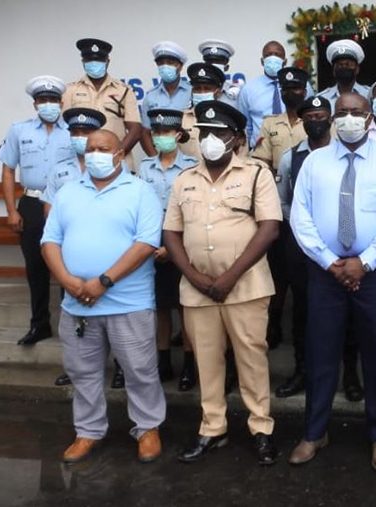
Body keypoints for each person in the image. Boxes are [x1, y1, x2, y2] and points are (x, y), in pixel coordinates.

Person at [288, 92, 376, 472]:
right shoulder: (314, 162)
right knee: (320, 353)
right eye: (341, 112)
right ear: (331, 118)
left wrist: (365, 262)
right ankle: (314, 432)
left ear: (370, 115)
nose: (348, 118)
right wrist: (331, 263)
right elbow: (301, 217)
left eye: (356, 112)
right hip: (325, 273)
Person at [163, 100, 280, 466]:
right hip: (197, 290)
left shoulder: (257, 174)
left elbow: (270, 228)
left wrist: (228, 277)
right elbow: (171, 233)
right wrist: (194, 276)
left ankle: (261, 428)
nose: (210, 139)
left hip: (245, 286)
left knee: (251, 359)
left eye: (219, 133)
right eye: (205, 133)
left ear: (237, 138)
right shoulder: (184, 178)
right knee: (206, 362)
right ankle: (213, 428)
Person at [41, 129, 165, 465]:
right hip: (77, 301)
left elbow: (146, 244)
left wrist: (104, 281)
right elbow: (49, 240)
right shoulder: (68, 192)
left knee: (139, 369)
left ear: (120, 154)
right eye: (91, 147)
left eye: (104, 148)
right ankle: (88, 431)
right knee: (83, 371)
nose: (95, 153)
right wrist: (67, 280)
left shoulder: (140, 191)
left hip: (128, 301)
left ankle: (148, 428)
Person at [0, 75, 74, 346]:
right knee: (36, 266)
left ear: (61, 102)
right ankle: (39, 324)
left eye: (53, 100)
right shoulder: (19, 130)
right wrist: (11, 210)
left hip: (65, 204)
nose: (48, 105)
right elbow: (8, 171)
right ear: (35, 104)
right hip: (31, 204)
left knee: (70, 264)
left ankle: (72, 327)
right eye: (43, 100)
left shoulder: (73, 132)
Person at [274, 95, 333, 398]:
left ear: (330, 119)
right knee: (302, 311)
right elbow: (282, 199)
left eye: (321, 115)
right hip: (300, 247)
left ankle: (346, 374)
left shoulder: (341, 153)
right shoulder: (290, 157)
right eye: (309, 116)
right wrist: (302, 223)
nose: (315, 121)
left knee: (340, 312)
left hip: (338, 247)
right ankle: (302, 371)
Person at [42, 107, 106, 388]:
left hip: (103, 254)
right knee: (73, 310)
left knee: (108, 312)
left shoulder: (114, 167)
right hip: (69, 252)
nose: (81, 138)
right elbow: (49, 212)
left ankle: (116, 365)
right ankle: (75, 368)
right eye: (75, 133)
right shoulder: (59, 170)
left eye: (86, 133)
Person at [138, 109, 198, 391]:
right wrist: (151, 245)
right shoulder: (144, 168)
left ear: (178, 134)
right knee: (160, 307)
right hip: (150, 240)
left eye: (166, 132)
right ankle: (163, 362)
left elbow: (195, 212)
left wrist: (171, 249)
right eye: (157, 132)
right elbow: (139, 209)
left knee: (184, 306)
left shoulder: (191, 166)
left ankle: (189, 364)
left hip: (182, 240)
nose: (161, 137)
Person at [252, 66, 309, 349]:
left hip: (310, 204)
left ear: (305, 90)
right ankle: (274, 322)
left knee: (303, 268)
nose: (291, 93)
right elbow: (260, 159)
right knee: (278, 269)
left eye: (296, 88)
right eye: (286, 89)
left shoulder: (315, 118)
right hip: (278, 202)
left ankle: (303, 320)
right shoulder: (270, 123)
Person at [63, 38, 141, 171]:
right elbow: (63, 127)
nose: (94, 64)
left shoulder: (124, 91)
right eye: (89, 60)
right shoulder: (70, 90)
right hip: (81, 163)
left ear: (107, 62)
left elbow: (135, 129)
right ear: (83, 62)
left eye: (99, 60)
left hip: (117, 164)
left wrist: (115, 155)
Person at [139, 41, 191, 157]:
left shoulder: (192, 92)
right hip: (162, 160)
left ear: (180, 66)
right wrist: (155, 160)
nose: (165, 66)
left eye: (170, 62)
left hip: (192, 159)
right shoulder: (151, 96)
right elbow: (145, 132)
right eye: (161, 63)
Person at [237, 40, 289, 148]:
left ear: (285, 61)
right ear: (262, 61)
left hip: (290, 149)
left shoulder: (299, 86)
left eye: (277, 55)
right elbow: (245, 127)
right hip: (259, 151)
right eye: (268, 55)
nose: (273, 58)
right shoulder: (248, 89)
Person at [180, 62, 227, 161]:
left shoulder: (229, 119)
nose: (201, 92)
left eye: (207, 89)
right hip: (189, 174)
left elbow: (240, 157)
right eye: (197, 89)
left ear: (218, 92)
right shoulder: (180, 120)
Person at [318, 39, 371, 103]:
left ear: (357, 69)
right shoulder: (322, 98)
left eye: (348, 64)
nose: (344, 67)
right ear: (334, 71)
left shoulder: (369, 94)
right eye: (339, 65)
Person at [198, 39, 241, 108]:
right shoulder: (196, 90)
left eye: (218, 62)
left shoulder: (236, 93)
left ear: (226, 67)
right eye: (209, 61)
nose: (213, 65)